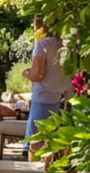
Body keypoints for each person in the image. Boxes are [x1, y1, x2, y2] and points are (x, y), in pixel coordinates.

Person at [22, 15, 72, 157]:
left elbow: (38, 75)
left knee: (36, 144)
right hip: (66, 97)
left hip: (44, 98)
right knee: (60, 145)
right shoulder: (69, 45)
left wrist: (26, 73)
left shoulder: (43, 45)